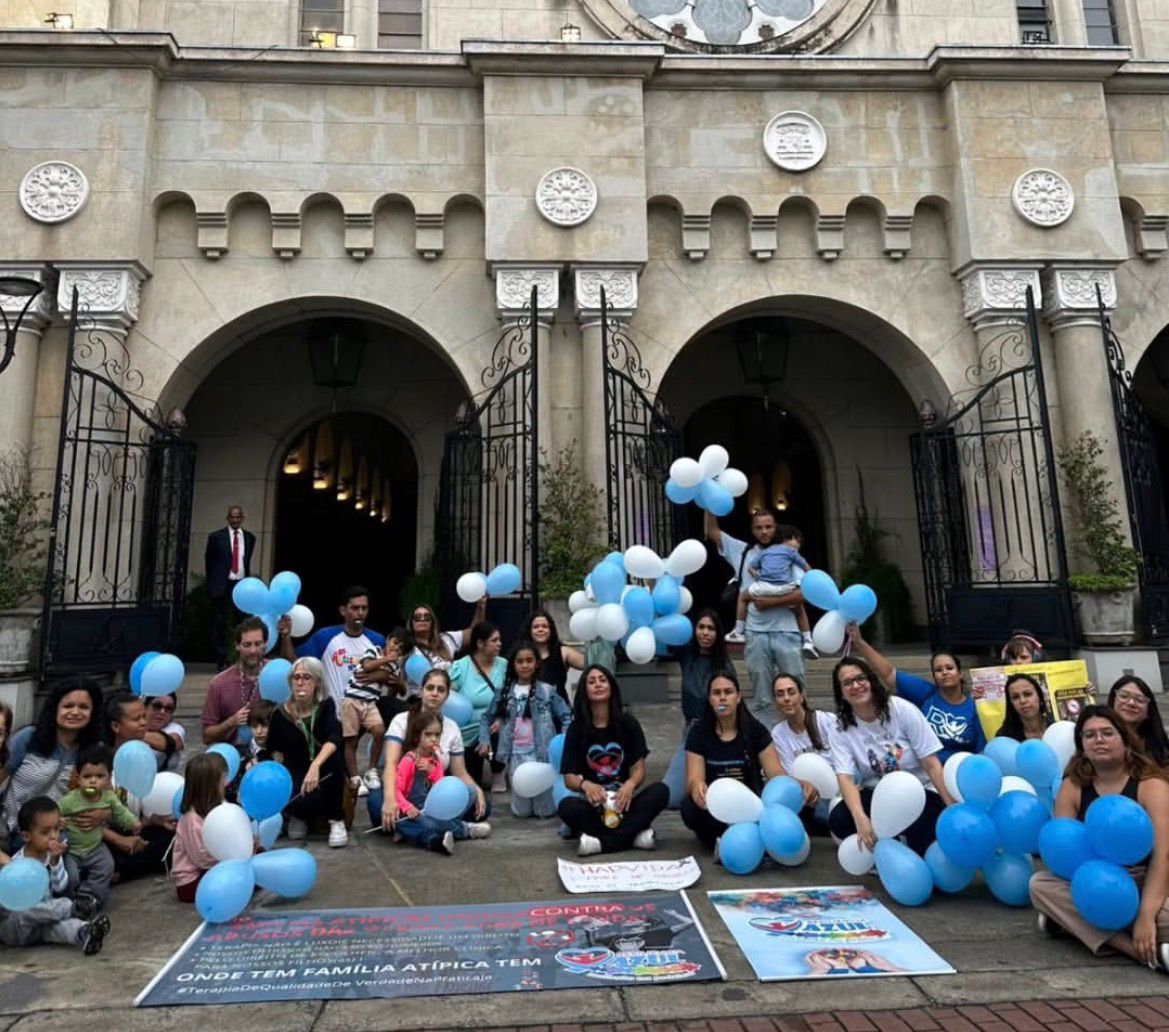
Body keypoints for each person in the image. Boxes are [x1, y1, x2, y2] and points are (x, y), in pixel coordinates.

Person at [1030, 705, 1169, 969]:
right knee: (1040, 885)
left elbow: (1164, 856)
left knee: (1161, 917)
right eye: (1089, 735)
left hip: (1150, 884)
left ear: (1125, 740)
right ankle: (1137, 951)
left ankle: (1068, 922)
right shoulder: (1073, 787)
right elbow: (1063, 854)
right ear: (1081, 745)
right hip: (1096, 885)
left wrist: (1146, 917)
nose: (1099, 740)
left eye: (1107, 733)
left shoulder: (1152, 785)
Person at [827, 657, 954, 856]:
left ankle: (904, 847)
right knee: (840, 819)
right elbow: (845, 777)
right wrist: (860, 817)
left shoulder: (901, 709)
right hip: (877, 793)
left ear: (871, 681)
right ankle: (885, 851)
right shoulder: (839, 728)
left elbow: (931, 763)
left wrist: (950, 805)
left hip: (919, 791)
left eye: (860, 678)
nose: (856, 685)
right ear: (841, 692)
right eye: (847, 683)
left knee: (925, 841)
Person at [704, 508, 805, 728]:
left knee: (796, 693)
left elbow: (804, 592)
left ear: (775, 527)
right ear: (752, 529)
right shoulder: (743, 551)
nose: (764, 532)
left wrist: (770, 602)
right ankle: (765, 748)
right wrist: (709, 500)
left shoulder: (787, 552)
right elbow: (712, 530)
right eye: (759, 527)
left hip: (787, 631)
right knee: (762, 699)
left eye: (768, 526)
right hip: (755, 634)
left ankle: (802, 739)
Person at [557, 665, 670, 856]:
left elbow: (639, 769)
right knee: (566, 806)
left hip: (623, 803)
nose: (598, 685)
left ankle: (601, 843)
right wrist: (586, 785)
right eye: (591, 682)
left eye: (602, 680)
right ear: (585, 690)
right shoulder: (577, 729)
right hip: (596, 806)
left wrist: (630, 785)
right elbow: (569, 778)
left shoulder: (628, 724)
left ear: (611, 686)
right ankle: (633, 836)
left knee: (661, 791)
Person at [681, 672, 788, 851]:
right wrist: (697, 787)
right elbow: (693, 778)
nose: (722, 697)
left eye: (728, 692)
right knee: (689, 809)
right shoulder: (698, 732)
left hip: (750, 806)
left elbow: (776, 773)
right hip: (715, 806)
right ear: (710, 699)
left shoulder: (756, 730)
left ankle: (734, 840)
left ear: (738, 697)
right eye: (716, 693)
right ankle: (731, 840)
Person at [849, 625, 985, 762]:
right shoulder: (926, 694)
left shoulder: (974, 707)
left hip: (959, 773)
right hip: (924, 771)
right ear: (934, 677)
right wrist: (860, 642)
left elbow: (981, 752)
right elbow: (889, 674)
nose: (944, 672)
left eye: (949, 668)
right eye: (938, 670)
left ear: (960, 674)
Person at [378, 669, 489, 830]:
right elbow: (391, 764)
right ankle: (455, 830)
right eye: (430, 688)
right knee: (377, 804)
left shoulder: (452, 727)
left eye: (441, 690)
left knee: (481, 804)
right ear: (422, 691)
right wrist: (390, 800)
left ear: (447, 695)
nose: (435, 693)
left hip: (435, 793)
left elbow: (460, 772)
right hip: (402, 793)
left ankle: (419, 826)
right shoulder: (401, 721)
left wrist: (477, 790)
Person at [4, 679, 105, 852]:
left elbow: (96, 795)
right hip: (9, 828)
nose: (75, 712)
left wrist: (102, 815)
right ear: (55, 708)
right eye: (68, 706)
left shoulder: (93, 751)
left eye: (84, 707)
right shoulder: (29, 738)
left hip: (51, 836)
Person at [0, 797, 109, 954]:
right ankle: (73, 908)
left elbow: (60, 886)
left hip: (44, 921)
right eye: (45, 832)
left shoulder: (51, 856)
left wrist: (55, 862)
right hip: (16, 927)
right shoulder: (17, 864)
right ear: (26, 836)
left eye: (57, 829)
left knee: (59, 927)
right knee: (25, 911)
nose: (53, 836)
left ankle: (85, 932)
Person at [478, 640, 571, 819]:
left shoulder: (547, 690)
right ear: (513, 665)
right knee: (522, 812)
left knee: (543, 812)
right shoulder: (504, 692)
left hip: (541, 754)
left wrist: (564, 740)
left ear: (536, 663)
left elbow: (566, 715)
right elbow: (486, 717)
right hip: (515, 755)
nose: (525, 665)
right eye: (520, 661)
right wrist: (484, 740)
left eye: (529, 660)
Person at [267, 657, 348, 847]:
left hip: (322, 769)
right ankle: (299, 815)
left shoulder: (326, 705)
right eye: (296, 678)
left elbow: (335, 737)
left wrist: (316, 765)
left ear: (317, 682)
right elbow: (273, 749)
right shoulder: (280, 713)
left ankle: (337, 820)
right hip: (296, 771)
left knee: (335, 759)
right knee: (291, 791)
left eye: (307, 677)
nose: (300, 682)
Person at [394, 709, 492, 854]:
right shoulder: (408, 761)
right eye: (428, 734)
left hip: (437, 807)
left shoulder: (436, 760)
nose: (433, 739)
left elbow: (440, 787)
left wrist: (431, 771)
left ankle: (441, 827)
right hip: (418, 810)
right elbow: (397, 790)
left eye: (437, 735)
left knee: (471, 791)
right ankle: (466, 830)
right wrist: (407, 808)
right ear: (417, 737)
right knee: (412, 822)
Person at [104, 693, 176, 881]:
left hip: (135, 831)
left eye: (144, 717)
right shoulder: (101, 763)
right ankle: (120, 871)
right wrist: (122, 840)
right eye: (137, 719)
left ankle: (126, 868)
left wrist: (152, 821)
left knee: (175, 837)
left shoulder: (143, 757)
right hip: (107, 837)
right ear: (115, 726)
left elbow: (134, 817)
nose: (144, 723)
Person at [284, 586, 387, 717]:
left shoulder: (378, 641)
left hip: (366, 719)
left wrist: (377, 676)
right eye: (355, 608)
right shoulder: (325, 637)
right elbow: (294, 662)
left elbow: (390, 676)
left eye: (364, 608)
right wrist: (286, 637)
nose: (360, 613)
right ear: (343, 610)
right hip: (332, 717)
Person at [59, 746, 141, 907]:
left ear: (109, 778)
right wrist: (59, 820)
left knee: (106, 866)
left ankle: (90, 896)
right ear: (78, 778)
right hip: (73, 849)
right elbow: (55, 812)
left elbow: (120, 812)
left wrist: (133, 822)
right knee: (72, 876)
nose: (93, 780)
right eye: (87, 776)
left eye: (99, 776)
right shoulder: (70, 800)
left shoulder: (109, 798)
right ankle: (70, 901)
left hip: (96, 847)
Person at [729, 524, 816, 659]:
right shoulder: (792, 553)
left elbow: (751, 567)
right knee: (799, 609)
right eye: (797, 540)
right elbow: (808, 571)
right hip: (785, 588)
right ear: (787, 539)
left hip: (764, 588)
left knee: (743, 596)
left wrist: (758, 576)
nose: (799, 545)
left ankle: (738, 630)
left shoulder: (765, 553)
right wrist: (815, 578)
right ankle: (808, 641)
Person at [341, 628, 407, 797]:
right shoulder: (374, 650)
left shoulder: (394, 665)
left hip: (370, 703)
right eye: (395, 643)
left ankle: (371, 770)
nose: (396, 649)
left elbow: (399, 688)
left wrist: (397, 681)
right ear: (388, 640)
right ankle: (355, 778)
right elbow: (367, 665)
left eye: (400, 649)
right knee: (351, 740)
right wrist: (386, 660)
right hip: (352, 700)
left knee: (379, 732)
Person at [771, 673, 839, 830]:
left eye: (791, 692)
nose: (786, 698)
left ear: (802, 696)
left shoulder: (825, 720)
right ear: (775, 702)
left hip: (841, 790)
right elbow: (790, 775)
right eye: (780, 694)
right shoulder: (778, 733)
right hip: (810, 798)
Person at [449, 622, 507, 788]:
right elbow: (448, 699)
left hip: (492, 728)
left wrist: (501, 718)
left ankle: (498, 769)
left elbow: (511, 698)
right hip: (466, 732)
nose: (499, 644)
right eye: (494, 640)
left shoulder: (504, 666)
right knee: (472, 783)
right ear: (480, 643)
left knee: (499, 731)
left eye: (500, 640)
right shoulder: (460, 667)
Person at [172, 752, 229, 902]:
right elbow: (202, 860)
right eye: (222, 780)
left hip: (209, 870)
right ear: (209, 787)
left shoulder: (215, 811)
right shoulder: (192, 820)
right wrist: (231, 857)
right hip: (190, 882)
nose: (226, 784)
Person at [202, 616, 268, 747]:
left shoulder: (279, 674)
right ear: (237, 646)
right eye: (247, 645)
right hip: (232, 754)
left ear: (265, 645)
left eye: (258, 644)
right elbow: (206, 737)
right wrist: (231, 722)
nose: (253, 650)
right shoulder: (219, 684)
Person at [204, 504, 255, 670]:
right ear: (228, 518)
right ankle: (222, 659)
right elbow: (209, 561)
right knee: (219, 623)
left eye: (238, 517)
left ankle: (244, 657)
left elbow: (246, 561)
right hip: (221, 584)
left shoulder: (249, 538)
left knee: (244, 622)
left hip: (240, 585)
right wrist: (212, 583)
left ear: (242, 518)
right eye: (232, 517)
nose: (235, 520)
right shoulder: (216, 537)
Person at [404, 601, 485, 679]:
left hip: (449, 691)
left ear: (432, 622)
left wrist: (480, 608)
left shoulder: (446, 638)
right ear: (411, 623)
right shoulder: (405, 647)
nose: (422, 619)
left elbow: (474, 632)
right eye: (417, 617)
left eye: (427, 617)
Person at [523, 610, 584, 703]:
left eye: (545, 626)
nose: (540, 629)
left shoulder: (564, 652)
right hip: (530, 710)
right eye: (536, 627)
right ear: (529, 631)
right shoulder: (522, 653)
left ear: (551, 630)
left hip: (560, 711)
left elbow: (590, 663)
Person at [1108, 676, 1169, 768]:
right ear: (1113, 701)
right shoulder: (1099, 742)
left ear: (1148, 712)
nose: (1131, 703)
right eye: (1124, 696)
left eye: (1139, 700)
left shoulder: (1161, 751)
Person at [995, 673, 1052, 741]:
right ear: (1011, 703)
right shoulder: (1004, 737)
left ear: (1039, 696)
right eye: (1015, 697)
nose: (1022, 701)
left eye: (1028, 694)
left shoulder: (1056, 727)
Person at [145, 692, 186, 773]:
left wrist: (132, 734)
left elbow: (173, 742)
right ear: (145, 706)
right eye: (157, 706)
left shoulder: (175, 728)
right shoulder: (135, 727)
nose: (162, 711)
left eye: (168, 708)